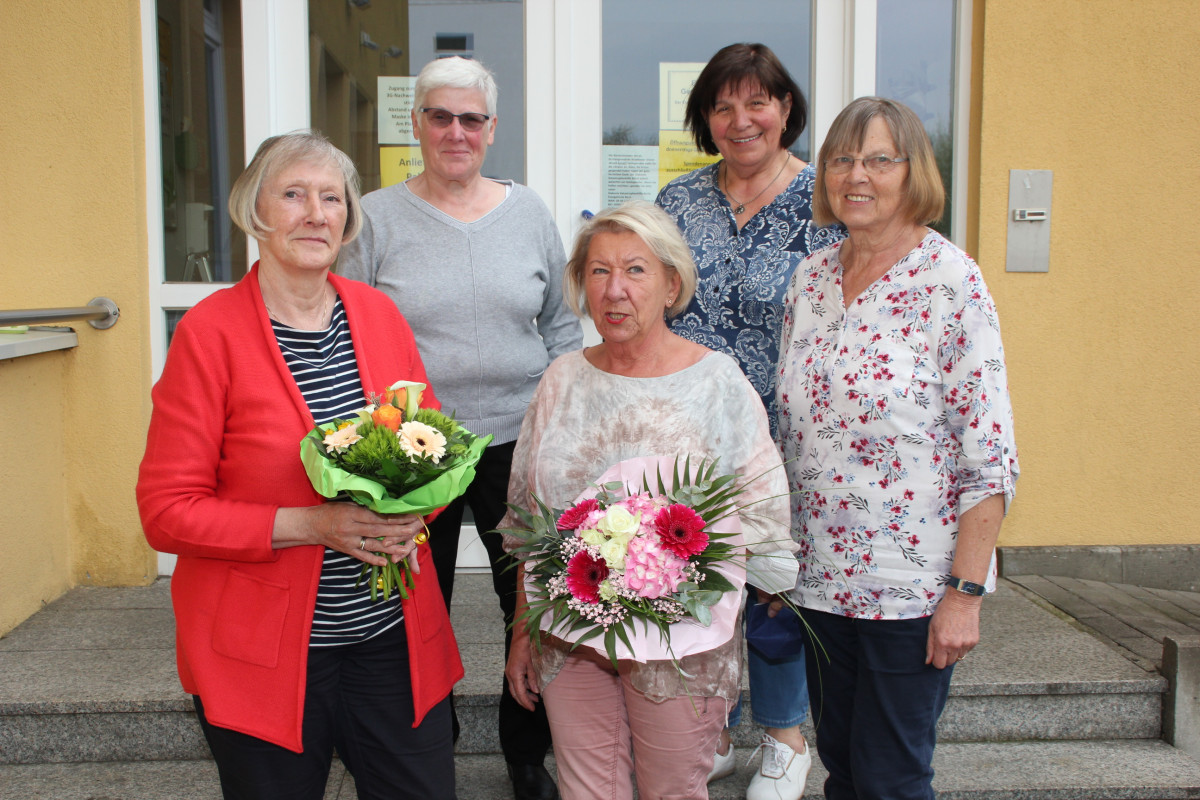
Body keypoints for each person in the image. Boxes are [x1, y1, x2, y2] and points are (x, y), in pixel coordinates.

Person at [137, 130, 461, 800]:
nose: (317, 213)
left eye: (332, 198)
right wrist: (314, 524)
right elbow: (167, 512)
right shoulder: (210, 333)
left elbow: (430, 452)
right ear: (256, 213)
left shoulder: (378, 315)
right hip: (267, 654)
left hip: (389, 636)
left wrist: (413, 513)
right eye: (294, 195)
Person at [338, 56, 580, 800]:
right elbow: (345, 330)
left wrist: (564, 423)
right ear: (416, 125)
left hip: (519, 438)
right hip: (416, 450)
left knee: (533, 602)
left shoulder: (530, 211)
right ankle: (424, 747)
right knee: (416, 605)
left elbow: (562, 327)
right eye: (439, 116)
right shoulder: (373, 216)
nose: (455, 131)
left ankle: (526, 754)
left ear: (491, 128)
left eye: (470, 119)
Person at [502, 202, 800, 800]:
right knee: (585, 790)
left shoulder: (717, 382)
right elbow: (526, 523)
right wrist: (521, 633)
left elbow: (762, 511)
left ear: (671, 284)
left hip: (681, 643)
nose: (615, 291)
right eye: (598, 271)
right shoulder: (559, 380)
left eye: (635, 271)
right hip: (568, 635)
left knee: (672, 791)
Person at [776, 97, 1019, 800]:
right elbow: (795, 434)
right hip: (820, 584)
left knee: (891, 780)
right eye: (842, 159)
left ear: (913, 172)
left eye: (879, 158)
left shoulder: (952, 281)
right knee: (846, 771)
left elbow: (990, 453)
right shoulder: (810, 279)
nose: (858, 175)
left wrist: (964, 595)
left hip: (910, 592)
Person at [656, 42, 844, 798]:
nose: (741, 120)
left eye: (756, 102)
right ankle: (713, 731)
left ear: (786, 108)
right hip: (691, 430)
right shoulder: (678, 202)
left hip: (789, 435)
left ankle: (785, 741)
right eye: (723, 106)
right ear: (705, 118)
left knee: (772, 587)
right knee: (694, 577)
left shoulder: (824, 202)